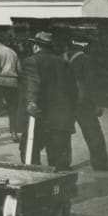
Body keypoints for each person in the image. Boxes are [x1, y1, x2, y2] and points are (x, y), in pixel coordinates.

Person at [18, 31, 78, 169]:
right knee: (60, 161)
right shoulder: (65, 63)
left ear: (36, 47)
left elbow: (33, 83)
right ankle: (60, 189)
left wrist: (31, 102)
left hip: (40, 117)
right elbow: (73, 92)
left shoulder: (31, 61)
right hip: (62, 119)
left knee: (29, 154)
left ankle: (36, 186)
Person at [65, 34, 108, 171]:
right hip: (83, 101)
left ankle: (63, 164)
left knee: (64, 133)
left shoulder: (63, 58)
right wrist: (97, 103)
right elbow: (92, 83)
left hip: (65, 101)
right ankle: (100, 163)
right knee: (93, 132)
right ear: (84, 45)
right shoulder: (86, 60)